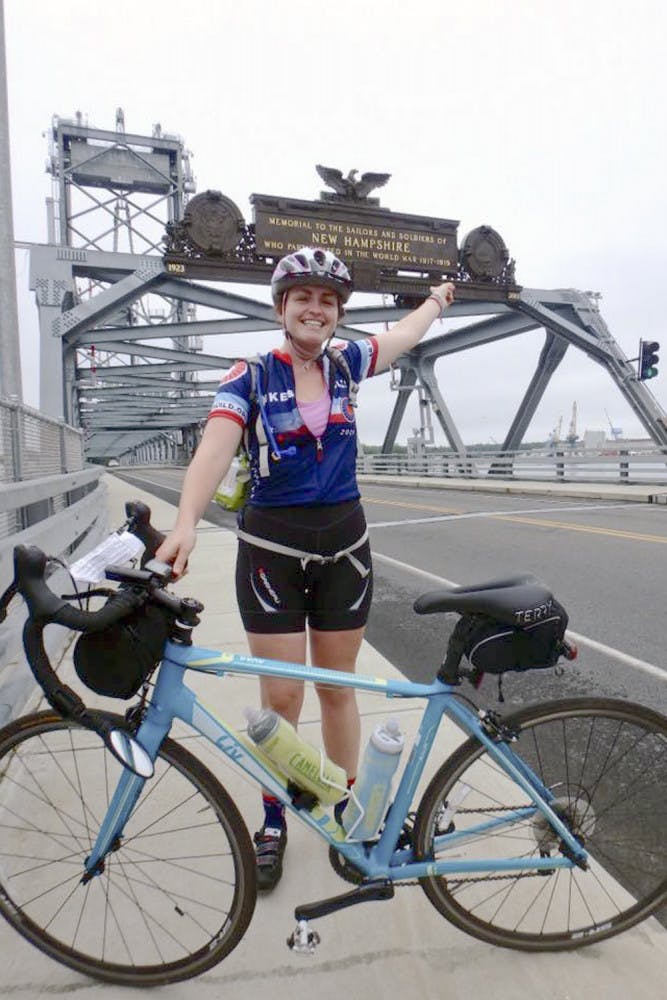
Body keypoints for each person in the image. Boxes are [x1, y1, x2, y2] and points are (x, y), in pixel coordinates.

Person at [156, 246, 455, 890]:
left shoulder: (348, 362)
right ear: (282, 308)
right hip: (274, 557)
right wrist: (185, 523)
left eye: (327, 300)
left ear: (337, 313)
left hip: (347, 550)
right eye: (303, 298)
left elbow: (401, 337)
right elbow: (213, 450)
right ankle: (275, 818)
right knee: (282, 696)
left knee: (336, 686)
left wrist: (435, 302)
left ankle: (343, 809)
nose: (315, 309)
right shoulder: (250, 375)